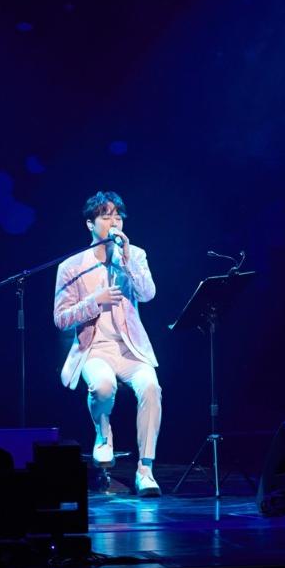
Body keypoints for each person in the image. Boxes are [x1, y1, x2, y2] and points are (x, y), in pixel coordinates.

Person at [54, 190, 162, 496]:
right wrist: (94, 301)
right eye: (106, 216)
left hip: (130, 348)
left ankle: (145, 470)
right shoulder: (72, 266)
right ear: (90, 224)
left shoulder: (135, 255)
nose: (114, 222)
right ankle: (103, 436)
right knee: (102, 386)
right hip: (94, 349)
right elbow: (61, 318)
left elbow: (147, 294)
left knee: (151, 388)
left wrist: (126, 260)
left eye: (118, 216)